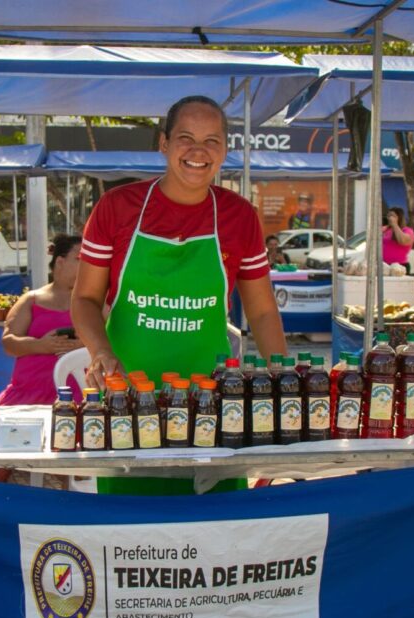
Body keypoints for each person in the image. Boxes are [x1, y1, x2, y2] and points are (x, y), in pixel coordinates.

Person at [71, 95, 287, 494]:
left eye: (212, 141)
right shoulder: (117, 207)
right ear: (164, 143)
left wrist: (282, 381)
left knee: (217, 532)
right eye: (186, 137)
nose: (198, 151)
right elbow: (84, 300)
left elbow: (261, 312)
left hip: (215, 403)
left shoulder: (240, 216)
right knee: (133, 537)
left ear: (225, 150)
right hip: (128, 402)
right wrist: (100, 352)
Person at [0, 234, 83, 406]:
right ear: (60, 262)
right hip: (27, 396)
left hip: (81, 396)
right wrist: (41, 345)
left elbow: (113, 340)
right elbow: (8, 342)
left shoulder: (95, 302)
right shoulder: (31, 300)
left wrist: (83, 344)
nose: (88, 265)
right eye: (80, 258)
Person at [381, 206, 414, 272]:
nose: (390, 218)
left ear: (399, 218)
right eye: (388, 216)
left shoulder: (407, 230)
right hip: (384, 265)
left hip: (400, 265)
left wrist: (394, 225)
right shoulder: (386, 230)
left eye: (392, 216)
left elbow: (403, 241)